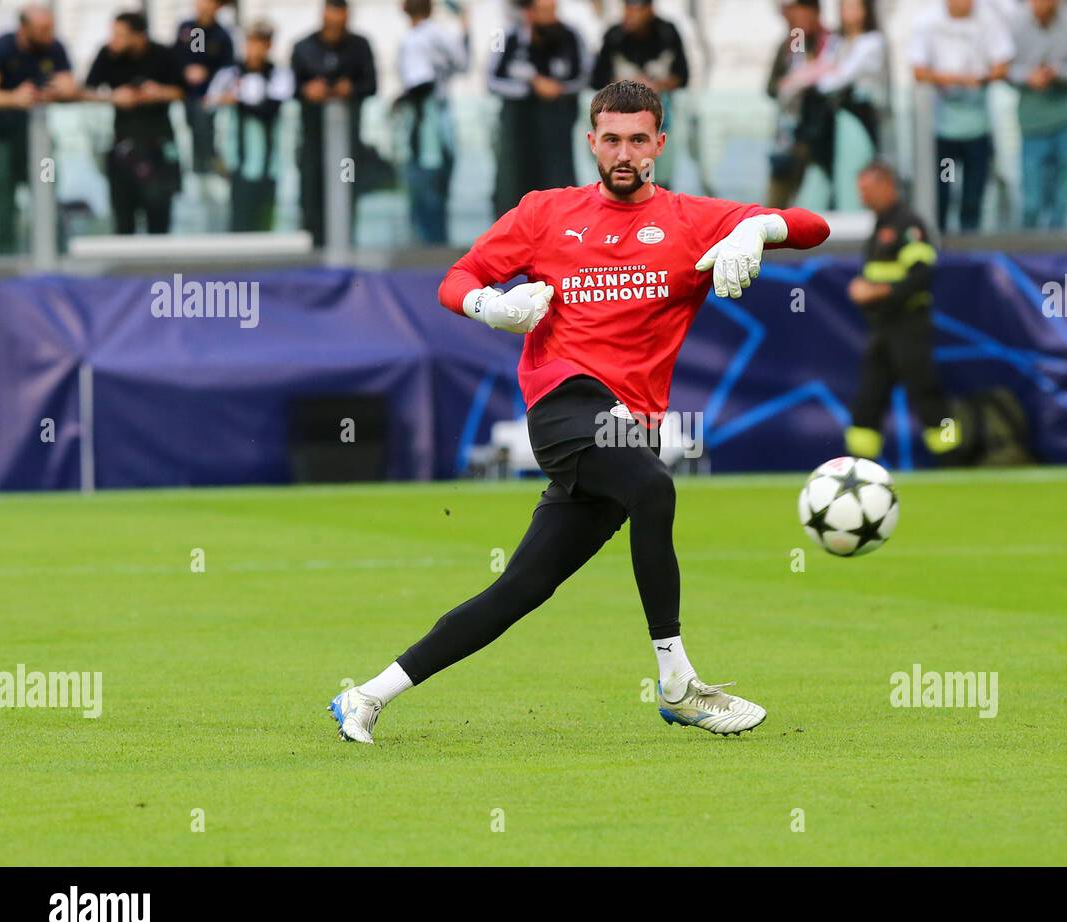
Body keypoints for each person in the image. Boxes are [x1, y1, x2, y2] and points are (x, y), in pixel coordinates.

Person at [329, 80, 831, 744]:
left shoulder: (691, 220)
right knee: (653, 488)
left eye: (638, 140)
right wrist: (491, 307)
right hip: (565, 402)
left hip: (628, 428)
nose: (624, 153)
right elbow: (457, 279)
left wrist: (757, 228)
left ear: (660, 144)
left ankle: (367, 695)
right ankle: (678, 684)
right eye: (612, 139)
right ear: (591, 142)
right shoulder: (545, 214)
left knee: (521, 589)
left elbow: (815, 227)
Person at [845, 163, 962, 463]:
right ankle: (858, 469)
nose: (862, 198)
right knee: (869, 398)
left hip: (909, 325)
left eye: (866, 190)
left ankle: (955, 462)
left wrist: (876, 291)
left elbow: (922, 275)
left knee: (926, 395)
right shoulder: (880, 225)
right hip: (881, 327)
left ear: (886, 185)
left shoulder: (908, 224)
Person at [909, 0, 1013, 233]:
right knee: (942, 192)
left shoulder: (989, 19)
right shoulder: (927, 21)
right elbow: (917, 70)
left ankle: (969, 248)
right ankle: (941, 244)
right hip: (943, 129)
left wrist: (978, 79)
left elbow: (1003, 65)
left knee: (973, 196)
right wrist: (949, 79)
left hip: (978, 128)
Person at [84, 11, 185, 235]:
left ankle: (160, 268)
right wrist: (114, 97)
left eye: (120, 35)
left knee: (159, 218)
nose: (114, 40)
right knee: (123, 219)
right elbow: (85, 91)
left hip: (158, 145)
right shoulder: (107, 54)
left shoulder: (163, 55)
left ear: (139, 37)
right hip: (123, 145)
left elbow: (184, 91)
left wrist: (158, 93)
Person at [488, 0, 589, 219]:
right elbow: (491, 80)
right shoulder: (502, 36)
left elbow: (584, 75)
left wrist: (557, 89)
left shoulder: (571, 35)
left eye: (553, 10)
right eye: (544, 12)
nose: (551, 17)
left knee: (558, 178)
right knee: (513, 179)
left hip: (557, 121)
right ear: (529, 13)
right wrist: (531, 85)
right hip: (517, 122)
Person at [290, 0, 377, 247]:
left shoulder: (359, 46)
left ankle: (344, 249)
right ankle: (315, 252)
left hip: (347, 146)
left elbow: (371, 84)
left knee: (346, 195)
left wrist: (349, 89)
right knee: (312, 198)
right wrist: (309, 91)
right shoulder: (304, 47)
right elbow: (291, 88)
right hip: (313, 141)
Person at [0, 4, 76, 253]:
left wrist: (56, 91)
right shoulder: (4, 48)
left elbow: (68, 85)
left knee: (48, 189)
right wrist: (14, 98)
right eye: (43, 29)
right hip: (4, 142)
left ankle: (56, 252)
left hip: (41, 142)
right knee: (3, 201)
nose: (49, 34)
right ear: (24, 28)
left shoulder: (54, 48)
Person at [205, 20, 294, 232]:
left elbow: (269, 110)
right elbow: (208, 107)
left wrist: (238, 100)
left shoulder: (279, 75)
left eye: (262, 43)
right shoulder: (228, 75)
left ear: (269, 46)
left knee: (265, 220)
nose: (255, 49)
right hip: (235, 161)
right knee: (238, 220)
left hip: (270, 163)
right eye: (252, 42)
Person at [590, 0, 689, 189]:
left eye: (636, 9)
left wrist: (654, 85)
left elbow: (682, 76)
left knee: (654, 172)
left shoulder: (667, 33)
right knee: (624, 164)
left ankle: (653, 198)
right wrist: (628, 84)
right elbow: (597, 78)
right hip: (620, 113)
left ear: (649, 9)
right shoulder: (614, 35)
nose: (631, 14)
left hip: (659, 110)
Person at [1008, 0, 1067, 230]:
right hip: (1032, 123)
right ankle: (1029, 253)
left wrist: (1058, 73)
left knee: (1063, 198)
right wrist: (1028, 77)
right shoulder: (1016, 23)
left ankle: (1059, 258)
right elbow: (1002, 68)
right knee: (1031, 199)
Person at [397, 0, 469, 244]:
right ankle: (438, 249)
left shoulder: (416, 38)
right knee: (439, 189)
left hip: (426, 122)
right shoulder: (443, 35)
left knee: (424, 191)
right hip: (443, 117)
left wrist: (398, 101)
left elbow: (421, 83)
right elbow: (463, 63)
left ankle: (429, 251)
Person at [766, 0, 834, 209]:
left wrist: (810, 79)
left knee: (814, 203)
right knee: (776, 203)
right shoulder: (789, 46)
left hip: (820, 140)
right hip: (789, 139)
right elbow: (771, 87)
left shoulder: (830, 43)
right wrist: (791, 85)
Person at [814, 0, 887, 153]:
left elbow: (836, 79)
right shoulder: (836, 41)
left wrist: (830, 71)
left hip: (861, 115)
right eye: (845, 7)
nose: (848, 12)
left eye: (854, 7)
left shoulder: (872, 42)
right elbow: (820, 72)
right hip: (835, 116)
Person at [175, 0, 234, 174]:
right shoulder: (194, 29)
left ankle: (209, 163)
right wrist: (189, 70)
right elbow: (192, 57)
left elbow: (227, 68)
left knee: (206, 130)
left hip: (212, 96)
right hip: (190, 94)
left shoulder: (222, 34)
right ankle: (201, 165)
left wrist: (206, 73)